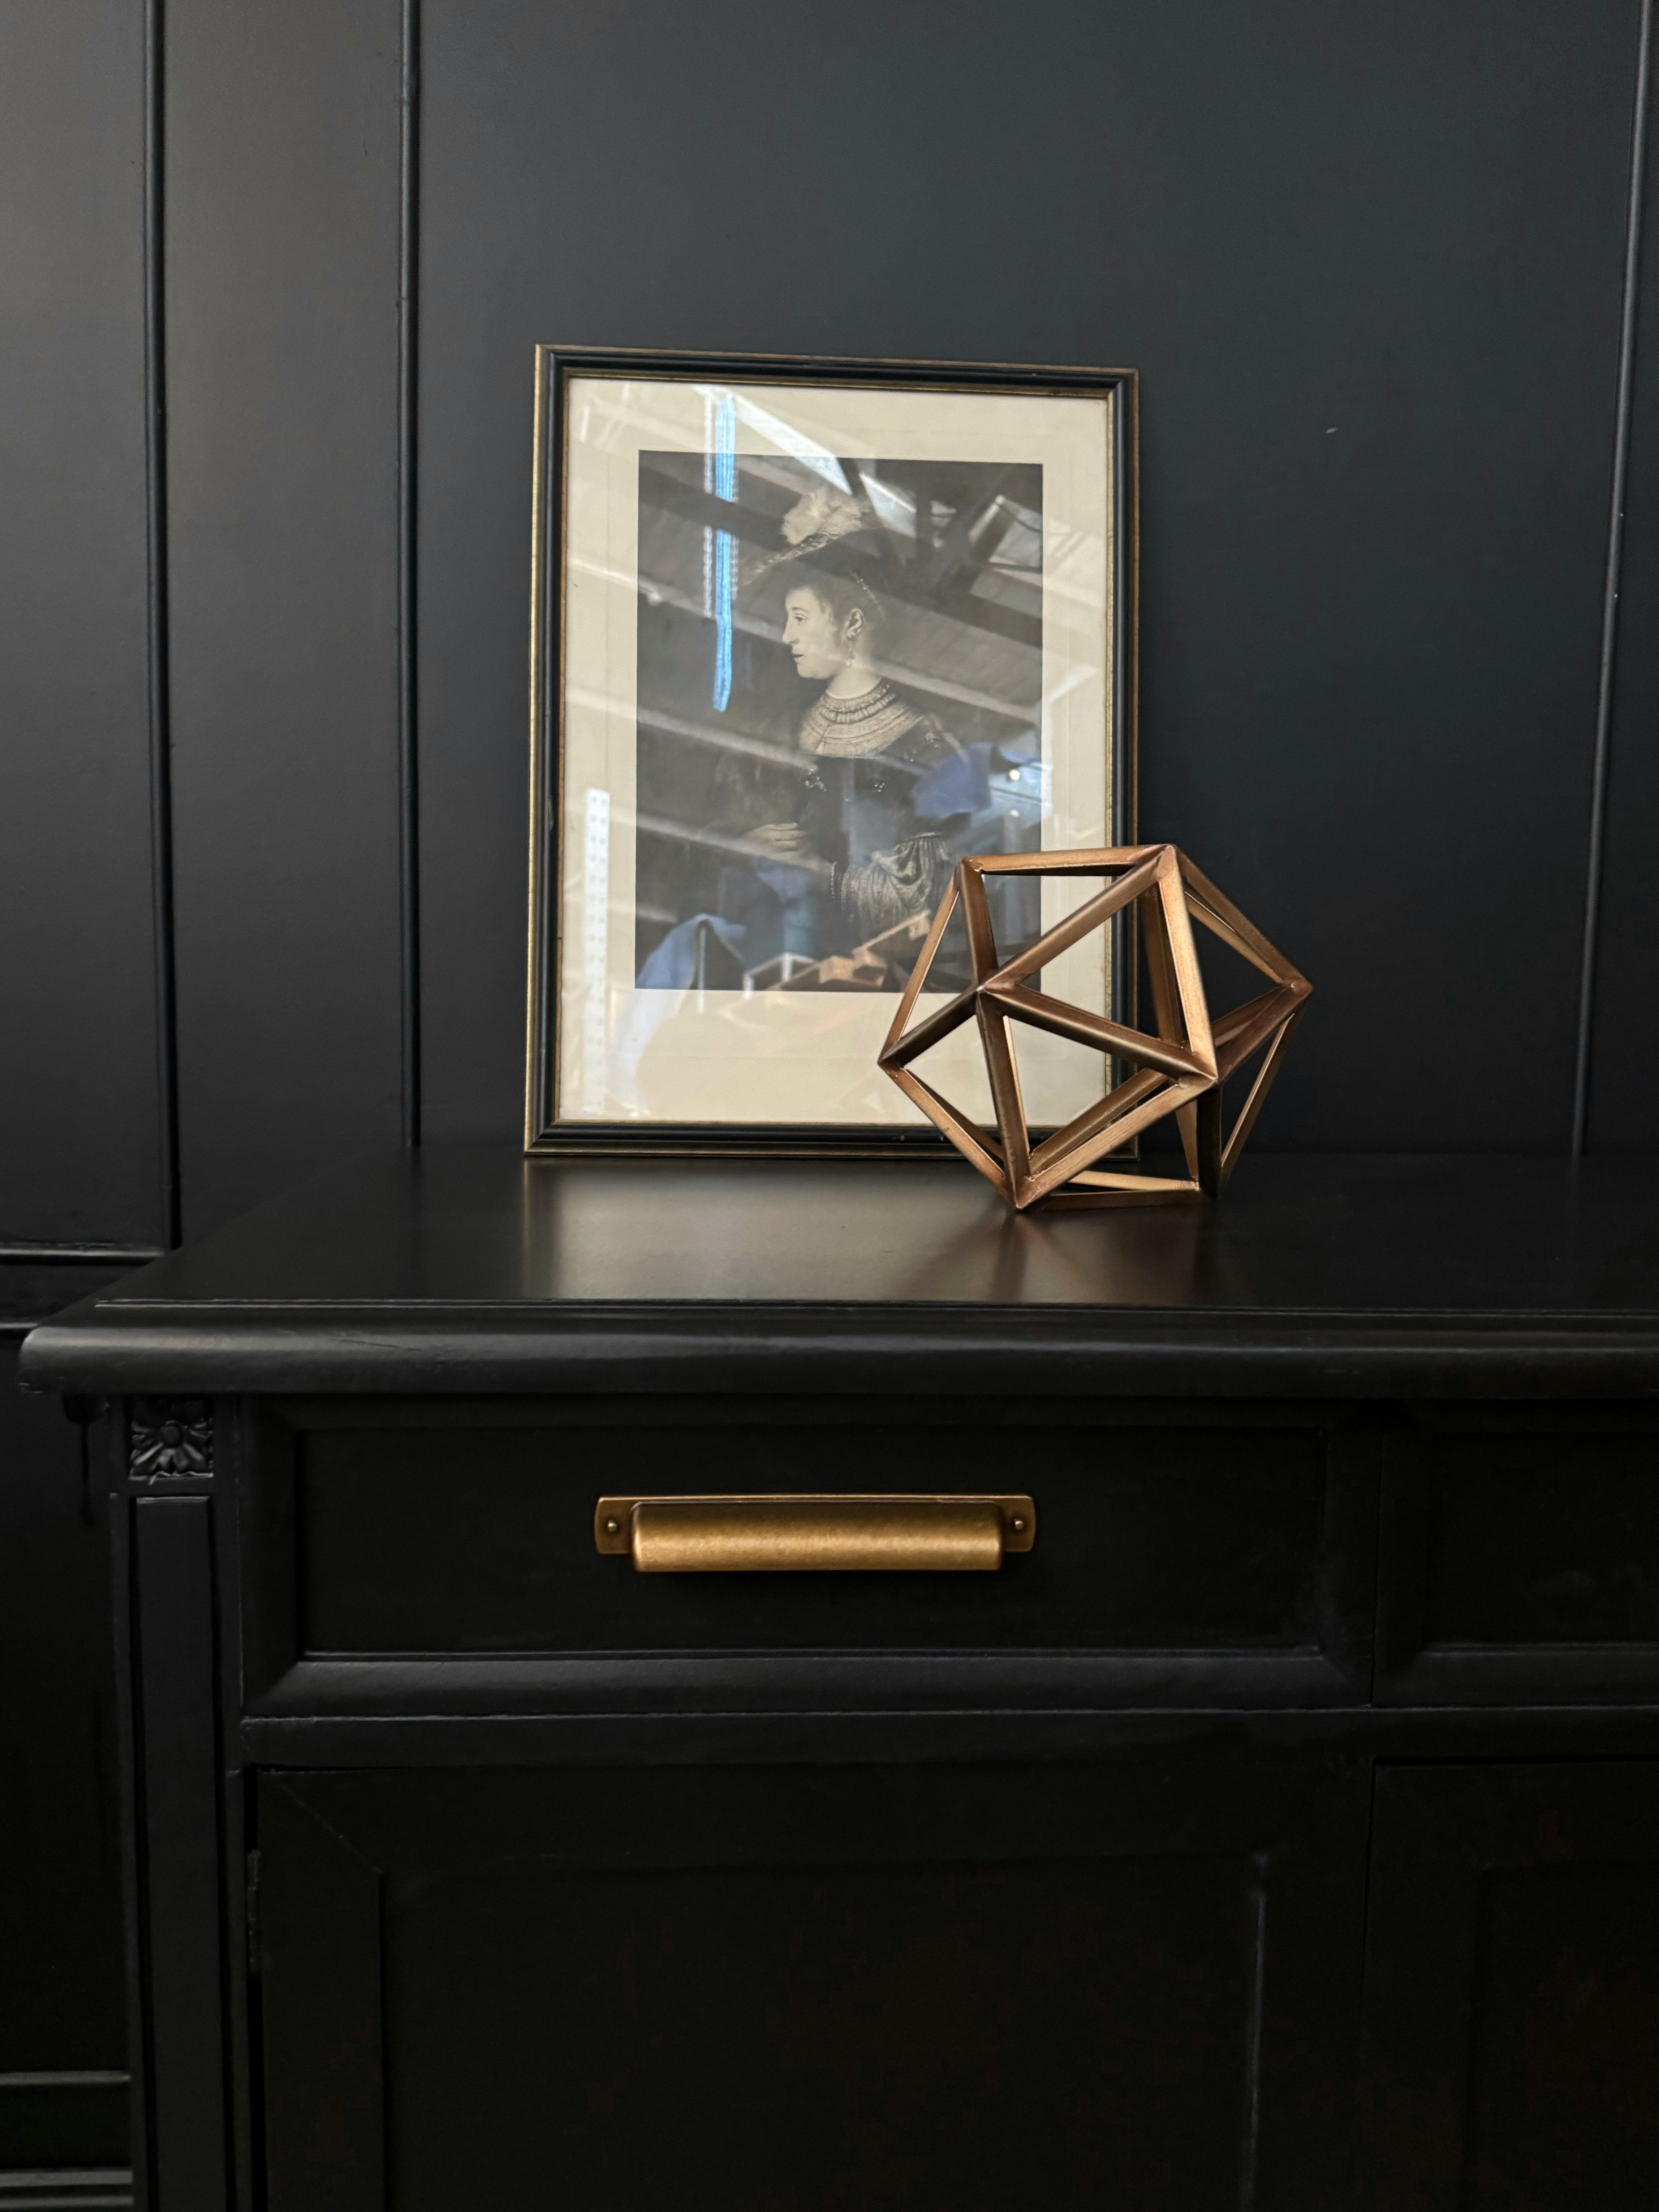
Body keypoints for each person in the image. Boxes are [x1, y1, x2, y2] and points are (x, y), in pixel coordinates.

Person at [743, 490, 970, 954]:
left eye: (800, 618)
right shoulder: (788, 728)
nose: (787, 636)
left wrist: (815, 869)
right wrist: (754, 847)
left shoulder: (924, 746)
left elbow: (926, 905)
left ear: (851, 623)